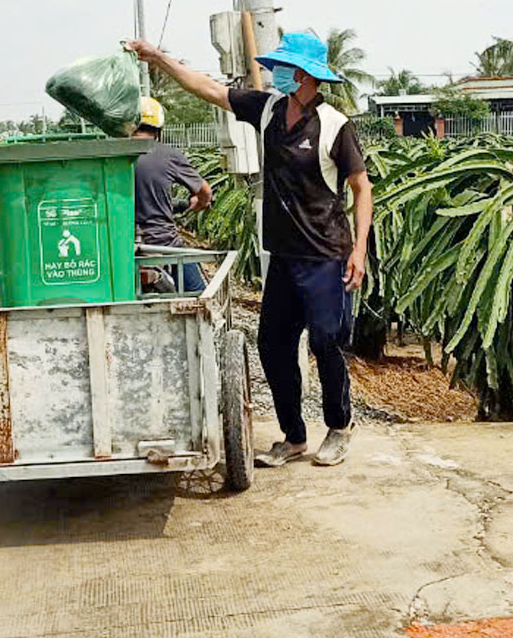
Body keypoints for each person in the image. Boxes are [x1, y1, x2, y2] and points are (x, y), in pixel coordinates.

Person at [126, 31, 372, 467]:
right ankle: (293, 437)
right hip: (283, 257)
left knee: (325, 342)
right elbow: (208, 88)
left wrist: (359, 250)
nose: (276, 73)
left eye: (284, 67)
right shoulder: (268, 110)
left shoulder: (335, 125)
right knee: (272, 347)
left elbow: (361, 187)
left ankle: (339, 427)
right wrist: (158, 57)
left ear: (304, 74)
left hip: (325, 256)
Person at [133, 96, 213, 293]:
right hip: (162, 242)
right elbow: (205, 191)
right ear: (159, 129)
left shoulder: (112, 156)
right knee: (199, 295)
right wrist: (199, 203)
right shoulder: (167, 154)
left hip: (122, 246)